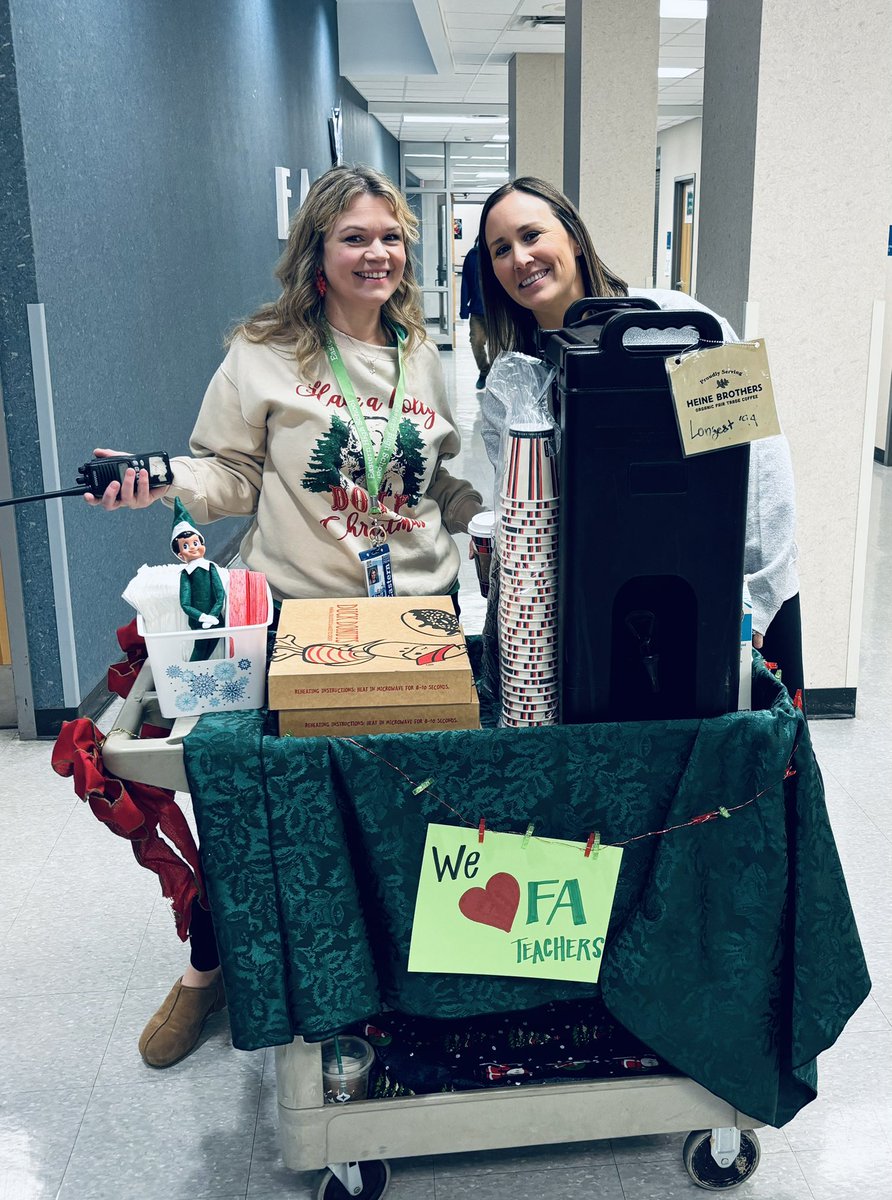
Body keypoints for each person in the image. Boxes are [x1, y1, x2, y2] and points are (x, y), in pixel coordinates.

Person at [86, 164, 484, 1067]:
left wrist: (482, 519)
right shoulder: (261, 354)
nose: (377, 253)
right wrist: (160, 478)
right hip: (303, 622)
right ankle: (210, 969)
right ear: (316, 251)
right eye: (355, 238)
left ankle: (402, 977)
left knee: (410, 804)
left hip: (420, 617)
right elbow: (230, 476)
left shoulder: (421, 351)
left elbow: (438, 479)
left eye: (390, 236)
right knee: (268, 813)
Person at [477, 176, 803, 698]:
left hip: (718, 601)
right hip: (591, 622)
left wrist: (754, 598)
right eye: (501, 249)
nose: (520, 258)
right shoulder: (511, 384)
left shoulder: (680, 325)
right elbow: (528, 523)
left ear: (573, 236)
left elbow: (760, 457)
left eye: (532, 235)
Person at [459, 237, 491, 390]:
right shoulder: (472, 256)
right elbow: (465, 282)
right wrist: (464, 308)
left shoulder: (499, 254)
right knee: (476, 342)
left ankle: (497, 377)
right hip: (478, 311)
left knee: (499, 346)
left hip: (498, 313)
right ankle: (485, 371)